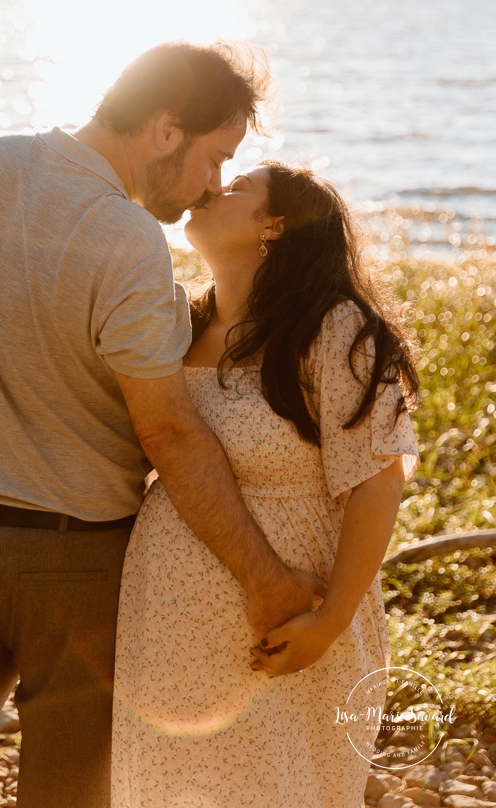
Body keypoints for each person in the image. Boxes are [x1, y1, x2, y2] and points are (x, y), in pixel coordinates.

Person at [0, 44, 323, 808]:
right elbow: (170, 435)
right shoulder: (126, 240)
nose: (213, 184)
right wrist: (267, 580)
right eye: (215, 156)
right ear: (163, 129)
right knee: (67, 788)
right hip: (74, 561)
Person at [112, 160, 420, 808]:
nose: (208, 189)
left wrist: (329, 621)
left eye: (235, 188)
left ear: (273, 227)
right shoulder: (178, 322)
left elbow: (376, 481)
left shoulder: (332, 327)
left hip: (285, 622)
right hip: (166, 625)